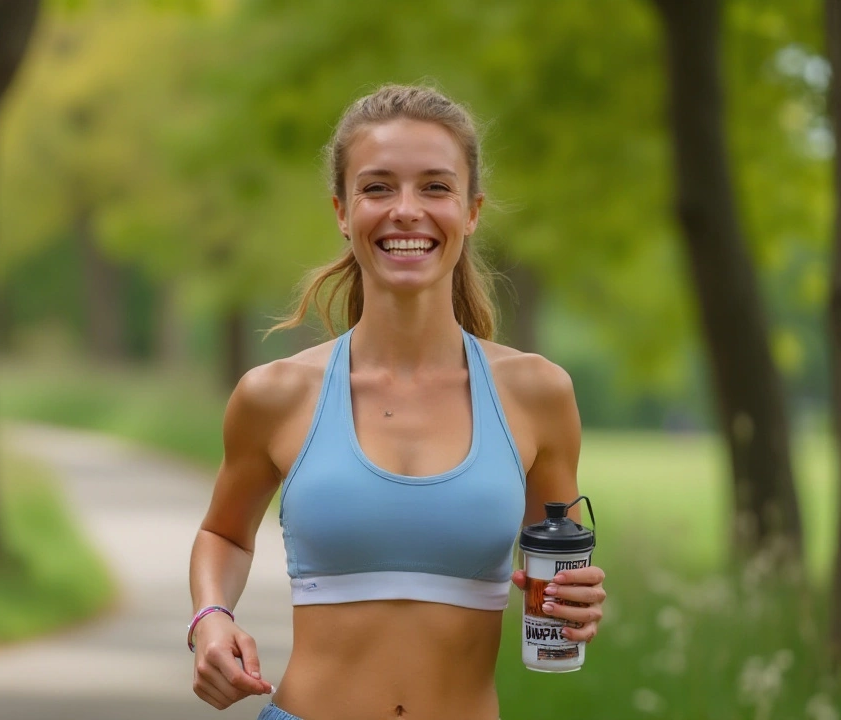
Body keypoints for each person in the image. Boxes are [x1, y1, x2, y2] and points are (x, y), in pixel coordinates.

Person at [187, 84, 607, 720]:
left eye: (435, 187)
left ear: (471, 211)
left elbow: (555, 558)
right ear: (342, 210)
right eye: (378, 187)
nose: (406, 211)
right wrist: (212, 618)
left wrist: (575, 601)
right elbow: (224, 533)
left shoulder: (537, 394)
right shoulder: (275, 394)